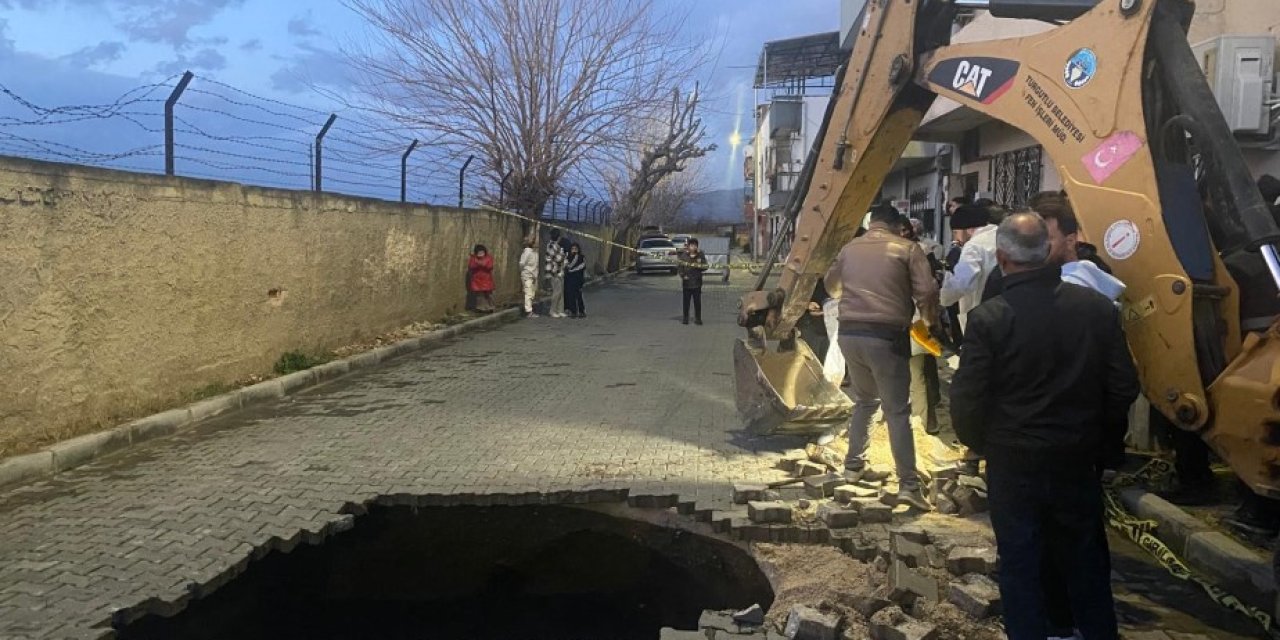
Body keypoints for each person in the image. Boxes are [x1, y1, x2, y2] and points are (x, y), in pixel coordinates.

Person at [951, 213, 1139, 640]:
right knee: (1087, 563)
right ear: (1046, 251)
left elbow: (966, 400)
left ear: (1002, 257)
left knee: (1020, 566)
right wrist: (1103, 442)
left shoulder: (989, 319)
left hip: (1013, 462)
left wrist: (986, 444)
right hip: (1077, 458)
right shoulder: (1095, 309)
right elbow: (1124, 385)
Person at [824, 204, 940, 511]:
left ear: (870, 223)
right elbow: (926, 292)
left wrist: (854, 296)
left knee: (865, 400)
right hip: (886, 336)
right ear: (897, 226)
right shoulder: (907, 248)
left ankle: (853, 466)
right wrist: (929, 323)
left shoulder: (850, 248)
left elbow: (831, 285)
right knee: (897, 410)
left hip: (849, 334)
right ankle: (909, 486)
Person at [941, 204, 999, 333]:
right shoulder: (1002, 235)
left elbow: (963, 282)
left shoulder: (973, 245)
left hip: (982, 312)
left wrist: (944, 298)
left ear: (967, 229)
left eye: (956, 232)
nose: (956, 238)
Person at [678, 238, 709, 325]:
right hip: (686, 283)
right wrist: (683, 276)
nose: (693, 247)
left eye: (695, 246)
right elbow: (680, 268)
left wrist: (699, 266)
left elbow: (705, 266)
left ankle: (698, 318)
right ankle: (685, 318)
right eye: (691, 245)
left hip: (697, 282)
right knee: (686, 302)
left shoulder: (700, 255)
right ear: (688, 246)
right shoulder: (684, 256)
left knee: (697, 302)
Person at [468, 244, 496, 313]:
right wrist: (477, 262)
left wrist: (480, 263)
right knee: (480, 295)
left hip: (486, 279)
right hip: (477, 280)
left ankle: (491, 307)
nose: (480, 253)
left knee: (489, 294)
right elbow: (471, 266)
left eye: (482, 252)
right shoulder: (473, 258)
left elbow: (490, 266)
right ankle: (481, 308)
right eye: (479, 252)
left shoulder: (488, 258)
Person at [546, 229, 567, 318]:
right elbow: (557, 258)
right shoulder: (551, 246)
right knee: (556, 292)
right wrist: (564, 256)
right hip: (554, 271)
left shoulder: (557, 246)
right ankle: (552, 310)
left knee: (561, 292)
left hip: (560, 271)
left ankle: (560, 310)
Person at [564, 242, 587, 319]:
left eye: (575, 249)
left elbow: (582, 267)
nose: (574, 250)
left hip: (578, 279)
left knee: (578, 296)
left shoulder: (581, 257)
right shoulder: (567, 257)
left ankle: (581, 311)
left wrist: (572, 270)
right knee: (571, 296)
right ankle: (573, 311)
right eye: (572, 249)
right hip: (569, 279)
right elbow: (566, 266)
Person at [519, 237, 539, 317]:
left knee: (532, 293)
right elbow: (522, 263)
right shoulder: (527, 252)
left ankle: (530, 309)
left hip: (533, 275)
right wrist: (524, 271)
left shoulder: (534, 253)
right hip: (527, 274)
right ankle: (528, 311)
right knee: (528, 293)